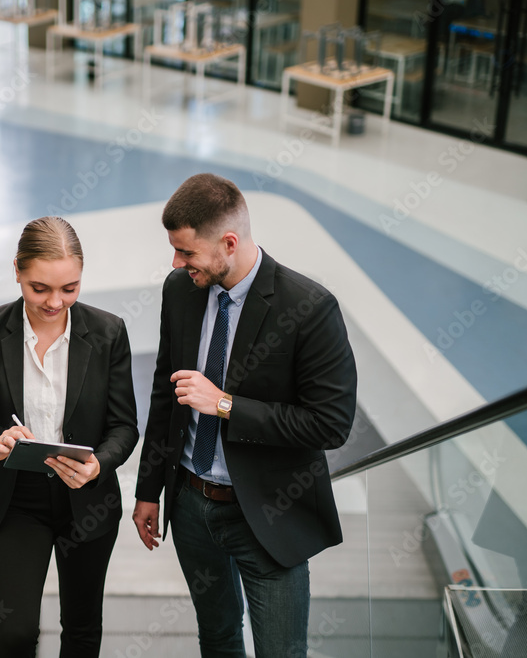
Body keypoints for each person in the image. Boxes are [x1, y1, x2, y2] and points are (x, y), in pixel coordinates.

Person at [132, 174, 358, 657]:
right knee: (216, 636)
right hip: (191, 504)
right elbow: (163, 393)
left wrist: (226, 405)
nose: (176, 263)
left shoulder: (310, 308)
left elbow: (331, 423)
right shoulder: (181, 290)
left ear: (228, 244)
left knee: (280, 650)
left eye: (187, 252)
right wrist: (148, 489)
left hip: (267, 513)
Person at [0, 216, 138, 657]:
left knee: (82, 629)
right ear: (17, 271)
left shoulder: (107, 332)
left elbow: (124, 426)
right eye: (39, 287)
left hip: (87, 498)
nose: (55, 302)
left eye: (70, 288)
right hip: (16, 499)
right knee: (14, 633)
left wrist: (98, 464)